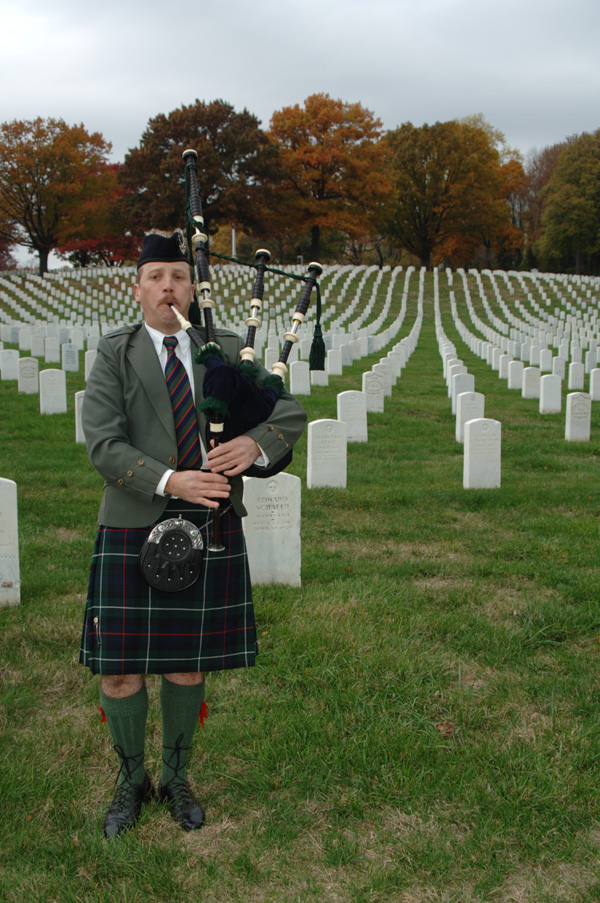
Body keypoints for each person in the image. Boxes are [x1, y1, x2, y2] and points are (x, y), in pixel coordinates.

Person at [79, 232, 307, 838]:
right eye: (155, 276)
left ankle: (178, 777)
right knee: (120, 672)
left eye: (178, 275)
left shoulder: (227, 349)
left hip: (210, 528)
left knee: (186, 666)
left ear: (193, 286)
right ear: (138, 289)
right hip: (133, 523)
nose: (168, 287)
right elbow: (103, 442)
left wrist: (253, 443)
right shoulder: (114, 353)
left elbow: (288, 414)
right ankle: (131, 782)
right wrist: (172, 481)